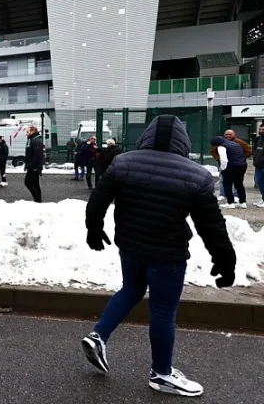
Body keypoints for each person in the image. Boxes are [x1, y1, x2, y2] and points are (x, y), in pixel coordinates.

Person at [82, 115, 236, 398]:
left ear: (147, 136)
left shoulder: (123, 163)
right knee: (163, 311)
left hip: (130, 245)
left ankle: (98, 335)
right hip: (168, 253)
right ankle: (161, 374)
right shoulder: (196, 175)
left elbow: (98, 200)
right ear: (183, 141)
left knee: (131, 289)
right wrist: (225, 260)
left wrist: (94, 228)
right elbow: (211, 225)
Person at [211, 129, 250, 202]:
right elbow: (213, 151)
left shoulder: (223, 145)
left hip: (231, 165)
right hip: (240, 165)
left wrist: (224, 168)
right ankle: (241, 201)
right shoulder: (234, 144)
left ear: (234, 135)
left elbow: (224, 159)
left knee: (228, 183)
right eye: (226, 134)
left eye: (230, 134)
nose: (228, 136)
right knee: (237, 183)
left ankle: (231, 200)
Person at [252, 123, 264, 208]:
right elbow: (255, 150)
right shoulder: (258, 139)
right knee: (259, 183)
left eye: (263, 129)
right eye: (260, 129)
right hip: (258, 165)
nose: (261, 131)